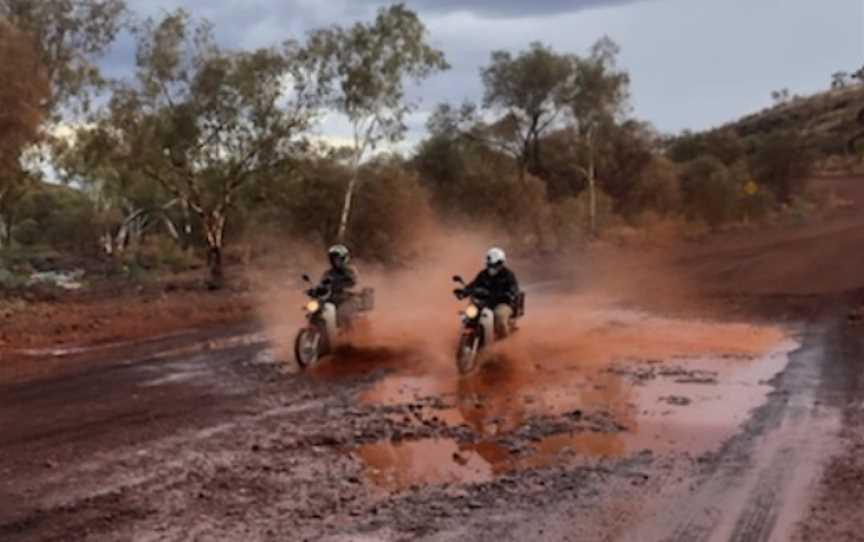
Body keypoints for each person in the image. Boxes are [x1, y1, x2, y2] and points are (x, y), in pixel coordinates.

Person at [457, 247, 520, 337]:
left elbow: (514, 289)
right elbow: (474, 284)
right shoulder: (483, 274)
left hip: (502, 303)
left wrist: (509, 294)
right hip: (485, 302)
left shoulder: (508, 275)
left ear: (501, 263)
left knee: (499, 317)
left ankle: (504, 341)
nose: (491, 268)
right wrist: (463, 292)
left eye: (494, 265)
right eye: (489, 265)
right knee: (470, 314)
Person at [317, 244, 359, 327]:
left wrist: (341, 284)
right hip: (331, 298)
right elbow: (322, 283)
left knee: (342, 314)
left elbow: (353, 281)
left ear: (344, 259)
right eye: (333, 259)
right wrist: (316, 290)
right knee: (316, 309)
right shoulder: (328, 273)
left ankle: (348, 334)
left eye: (338, 259)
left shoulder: (350, 270)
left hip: (347, 299)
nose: (335, 261)